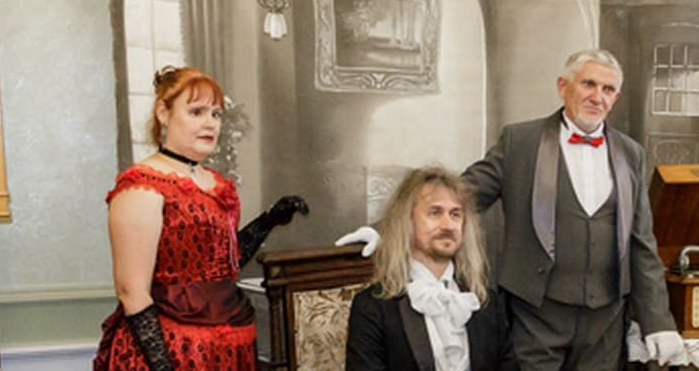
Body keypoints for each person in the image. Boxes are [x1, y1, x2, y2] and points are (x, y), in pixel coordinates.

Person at [338, 49, 685, 369]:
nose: (598, 96)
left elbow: (642, 242)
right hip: (537, 317)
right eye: (589, 84)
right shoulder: (521, 141)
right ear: (563, 86)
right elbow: (462, 193)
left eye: (608, 89)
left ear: (616, 98)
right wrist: (385, 230)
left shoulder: (631, 153)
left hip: (606, 322)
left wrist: (658, 321)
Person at [93, 66, 309, 371]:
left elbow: (223, 264)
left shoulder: (214, 182)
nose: (210, 124)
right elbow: (132, 292)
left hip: (227, 349)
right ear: (164, 113)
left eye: (216, 114)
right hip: (172, 350)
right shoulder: (141, 187)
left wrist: (269, 220)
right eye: (196, 112)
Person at [346, 166, 516, 371]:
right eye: (435, 212)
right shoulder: (372, 308)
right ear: (407, 221)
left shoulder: (486, 303)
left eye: (455, 214)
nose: (448, 225)